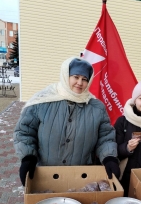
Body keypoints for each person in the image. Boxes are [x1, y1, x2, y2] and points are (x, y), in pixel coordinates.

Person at [13, 56, 120, 186]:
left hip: (81, 178)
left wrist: (109, 158)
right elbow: (25, 132)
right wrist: (28, 157)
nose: (80, 83)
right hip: (46, 176)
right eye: (76, 77)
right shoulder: (42, 101)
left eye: (84, 79)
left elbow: (105, 137)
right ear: (66, 76)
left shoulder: (96, 108)